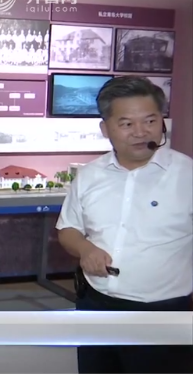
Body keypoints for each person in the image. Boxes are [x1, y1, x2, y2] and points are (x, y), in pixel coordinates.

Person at [56, 76, 192, 374]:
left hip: (163, 314)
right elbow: (68, 230)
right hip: (95, 305)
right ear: (105, 129)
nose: (140, 132)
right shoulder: (90, 175)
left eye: (150, 121)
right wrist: (85, 249)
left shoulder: (187, 176)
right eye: (127, 124)